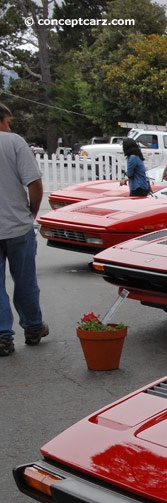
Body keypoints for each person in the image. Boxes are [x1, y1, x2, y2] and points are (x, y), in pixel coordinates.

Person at [0, 102, 47, 357]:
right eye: (8, 121)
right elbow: (35, 183)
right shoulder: (14, 142)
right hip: (17, 226)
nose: (9, 125)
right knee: (25, 280)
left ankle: (2, 336)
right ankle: (33, 328)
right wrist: (32, 211)